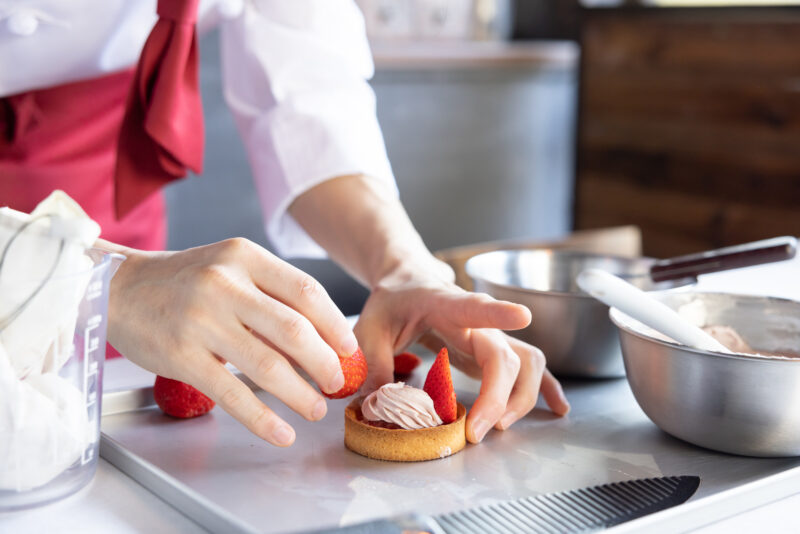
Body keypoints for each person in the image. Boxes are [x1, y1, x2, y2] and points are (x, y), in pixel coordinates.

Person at [0, 0, 569, 448]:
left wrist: (407, 270)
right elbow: (110, 283)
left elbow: (306, 97)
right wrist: (104, 282)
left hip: (105, 203)